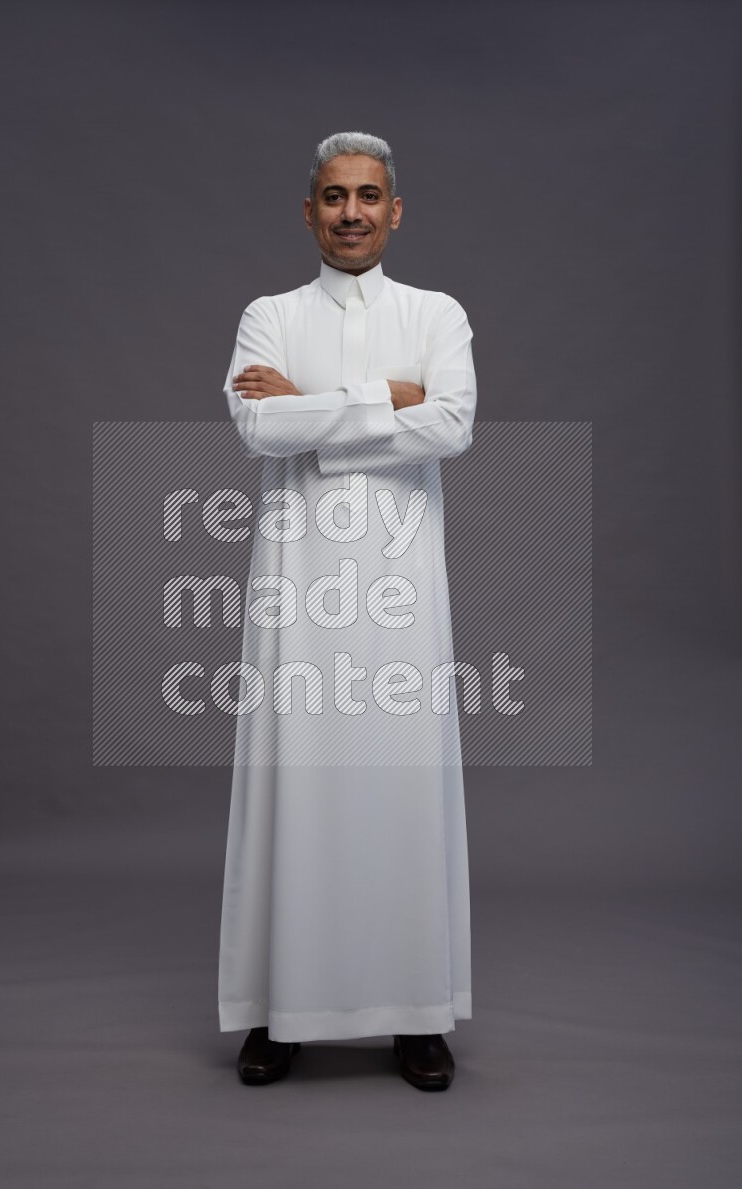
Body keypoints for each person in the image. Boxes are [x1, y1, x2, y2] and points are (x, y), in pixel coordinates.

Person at [217, 131, 477, 1091]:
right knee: (294, 784)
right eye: (335, 197)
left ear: (395, 210)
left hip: (404, 593)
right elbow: (255, 424)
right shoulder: (269, 315)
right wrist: (387, 400)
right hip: (297, 589)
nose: (353, 212)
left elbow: (452, 423)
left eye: (369, 195)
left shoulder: (437, 311)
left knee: (403, 789)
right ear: (310, 211)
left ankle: (415, 1014)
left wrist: (318, 406)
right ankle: (278, 1013)